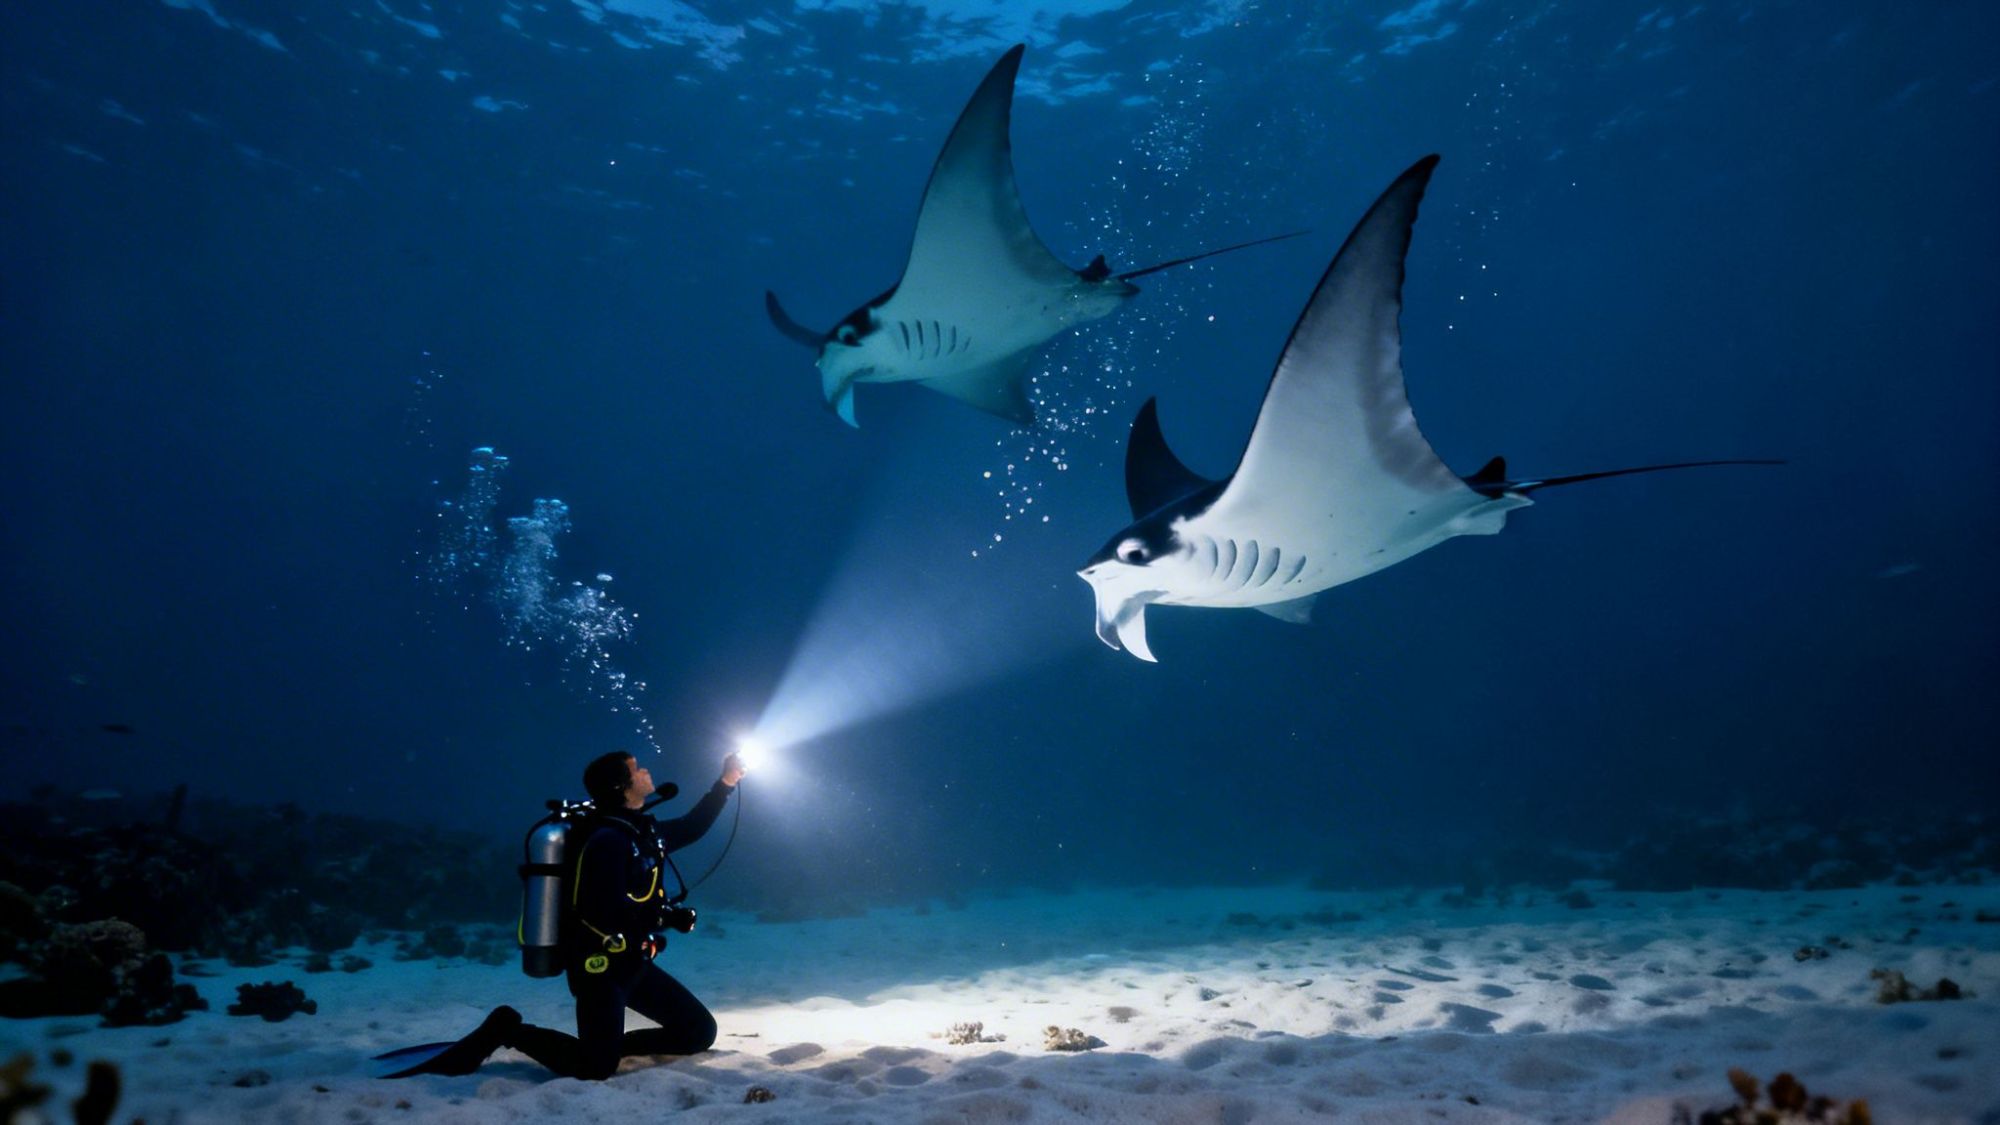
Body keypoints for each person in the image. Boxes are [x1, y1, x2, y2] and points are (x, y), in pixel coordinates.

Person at [380, 750, 743, 1081]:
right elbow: (601, 911)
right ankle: (509, 1030)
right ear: (621, 785)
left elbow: (694, 827)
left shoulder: (641, 831)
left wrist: (725, 783)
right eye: (636, 768)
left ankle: (609, 1046)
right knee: (594, 1069)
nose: (646, 770)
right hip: (600, 967)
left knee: (698, 1032)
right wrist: (663, 924)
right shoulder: (608, 841)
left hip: (632, 962)